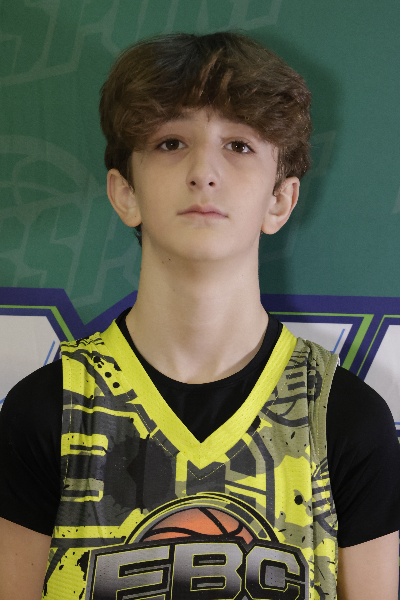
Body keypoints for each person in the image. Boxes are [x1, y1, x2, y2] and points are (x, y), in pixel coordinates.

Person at [0, 32, 399, 600]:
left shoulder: (343, 419)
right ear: (125, 192)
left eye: (238, 145)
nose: (203, 171)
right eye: (170, 142)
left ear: (280, 199)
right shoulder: (50, 412)